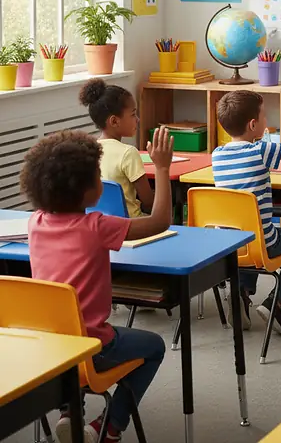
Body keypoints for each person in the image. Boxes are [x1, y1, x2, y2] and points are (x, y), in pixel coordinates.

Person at [24, 127, 173, 443]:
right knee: (154, 347)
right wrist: (161, 168)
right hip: (94, 347)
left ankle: (69, 412)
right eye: (96, 175)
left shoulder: (34, 222)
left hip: (52, 352)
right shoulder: (96, 226)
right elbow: (160, 222)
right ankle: (108, 426)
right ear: (83, 190)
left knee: (69, 339)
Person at [212, 81, 281, 334]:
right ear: (253, 125)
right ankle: (276, 303)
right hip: (261, 243)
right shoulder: (261, 151)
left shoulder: (217, 155)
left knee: (245, 235)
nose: (267, 119)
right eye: (264, 115)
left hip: (228, 245)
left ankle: (241, 295)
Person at [79, 79, 153, 217]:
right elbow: (149, 202)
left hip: (100, 225)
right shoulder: (128, 153)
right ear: (114, 121)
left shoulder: (88, 151)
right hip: (131, 227)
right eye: (133, 114)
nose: (137, 119)